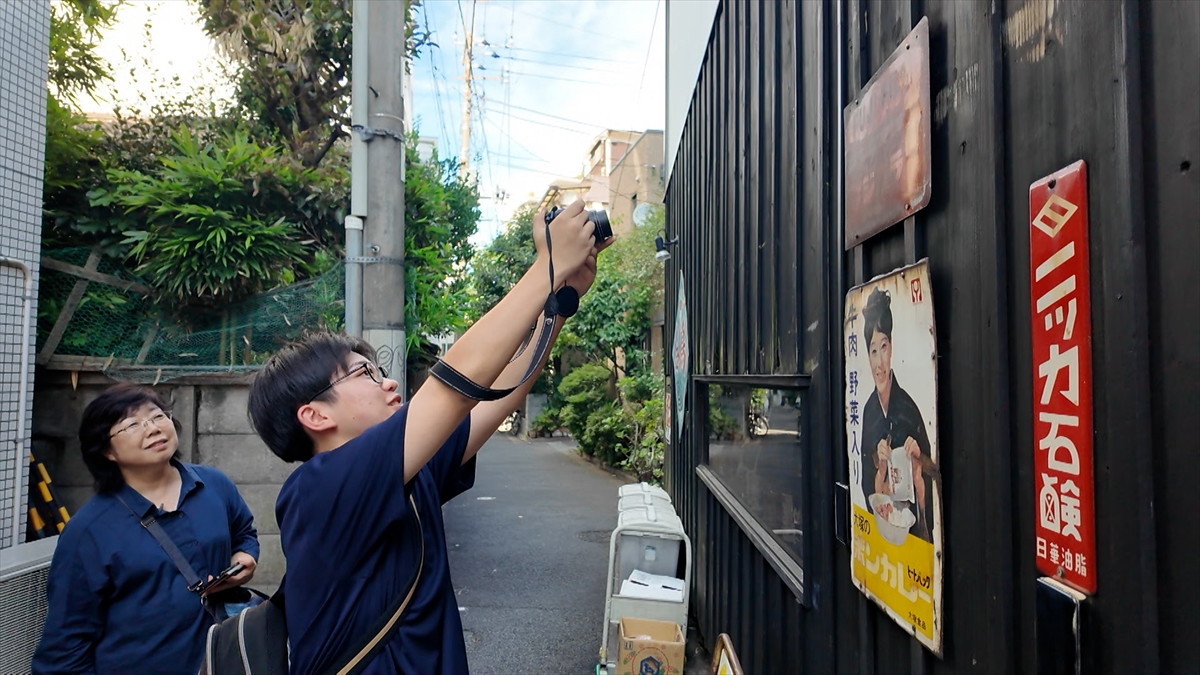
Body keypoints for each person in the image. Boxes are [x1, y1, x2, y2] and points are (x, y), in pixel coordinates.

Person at [247, 200, 606, 675]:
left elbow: (493, 399)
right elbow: (454, 387)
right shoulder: (318, 489)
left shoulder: (405, 473)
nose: (389, 382)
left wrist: (558, 305)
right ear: (314, 415)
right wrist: (546, 266)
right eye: (364, 375)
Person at [33, 383, 260, 675]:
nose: (153, 429)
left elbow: (244, 532)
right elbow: (64, 648)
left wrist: (245, 557)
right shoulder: (88, 532)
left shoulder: (214, 484)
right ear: (106, 451)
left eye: (157, 416)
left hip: (222, 663)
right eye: (132, 425)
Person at [859, 288, 935, 543]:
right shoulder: (869, 412)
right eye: (873, 351)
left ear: (892, 347)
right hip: (880, 539)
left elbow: (932, 481)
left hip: (911, 539)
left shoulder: (909, 410)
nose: (880, 363)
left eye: (884, 347)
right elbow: (867, 489)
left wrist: (918, 473)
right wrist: (880, 471)